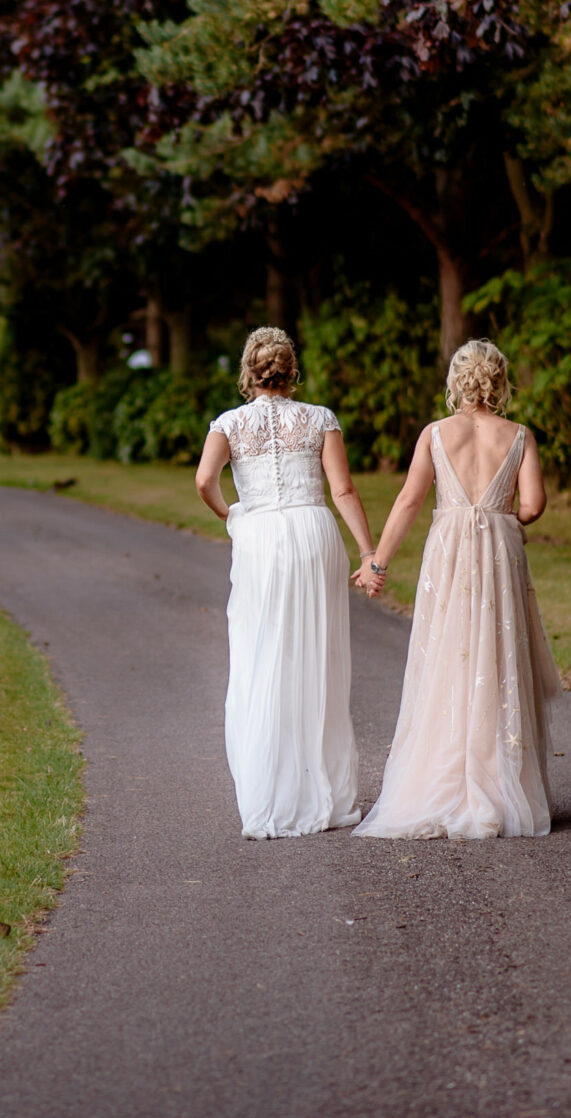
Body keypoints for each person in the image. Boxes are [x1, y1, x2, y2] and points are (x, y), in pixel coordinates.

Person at [353, 339, 562, 840]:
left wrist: (376, 563)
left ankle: (444, 779)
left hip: (448, 551)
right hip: (499, 549)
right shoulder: (520, 436)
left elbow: (408, 501)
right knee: (497, 654)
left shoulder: (434, 434)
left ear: (456, 382)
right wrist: (502, 514)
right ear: (500, 381)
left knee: (449, 655)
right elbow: (533, 504)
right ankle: (500, 782)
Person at [194, 327, 380, 838]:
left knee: (261, 655)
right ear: (291, 370)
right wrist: (368, 553)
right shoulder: (320, 419)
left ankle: (270, 793)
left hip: (260, 538)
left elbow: (204, 481)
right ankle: (322, 788)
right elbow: (342, 489)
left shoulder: (228, 424)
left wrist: (231, 513)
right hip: (313, 531)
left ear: (248, 372)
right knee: (316, 657)